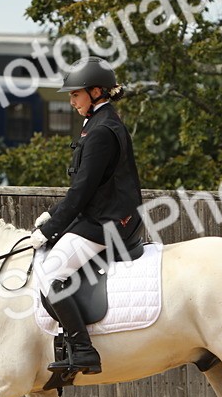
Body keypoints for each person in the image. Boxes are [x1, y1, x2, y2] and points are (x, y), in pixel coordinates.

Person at [29, 56, 145, 375]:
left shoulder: (101, 130)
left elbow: (81, 191)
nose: (71, 100)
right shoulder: (97, 123)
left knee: (51, 272)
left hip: (109, 222)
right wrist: (51, 217)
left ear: (96, 92)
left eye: (75, 94)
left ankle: (82, 349)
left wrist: (51, 228)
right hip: (103, 214)